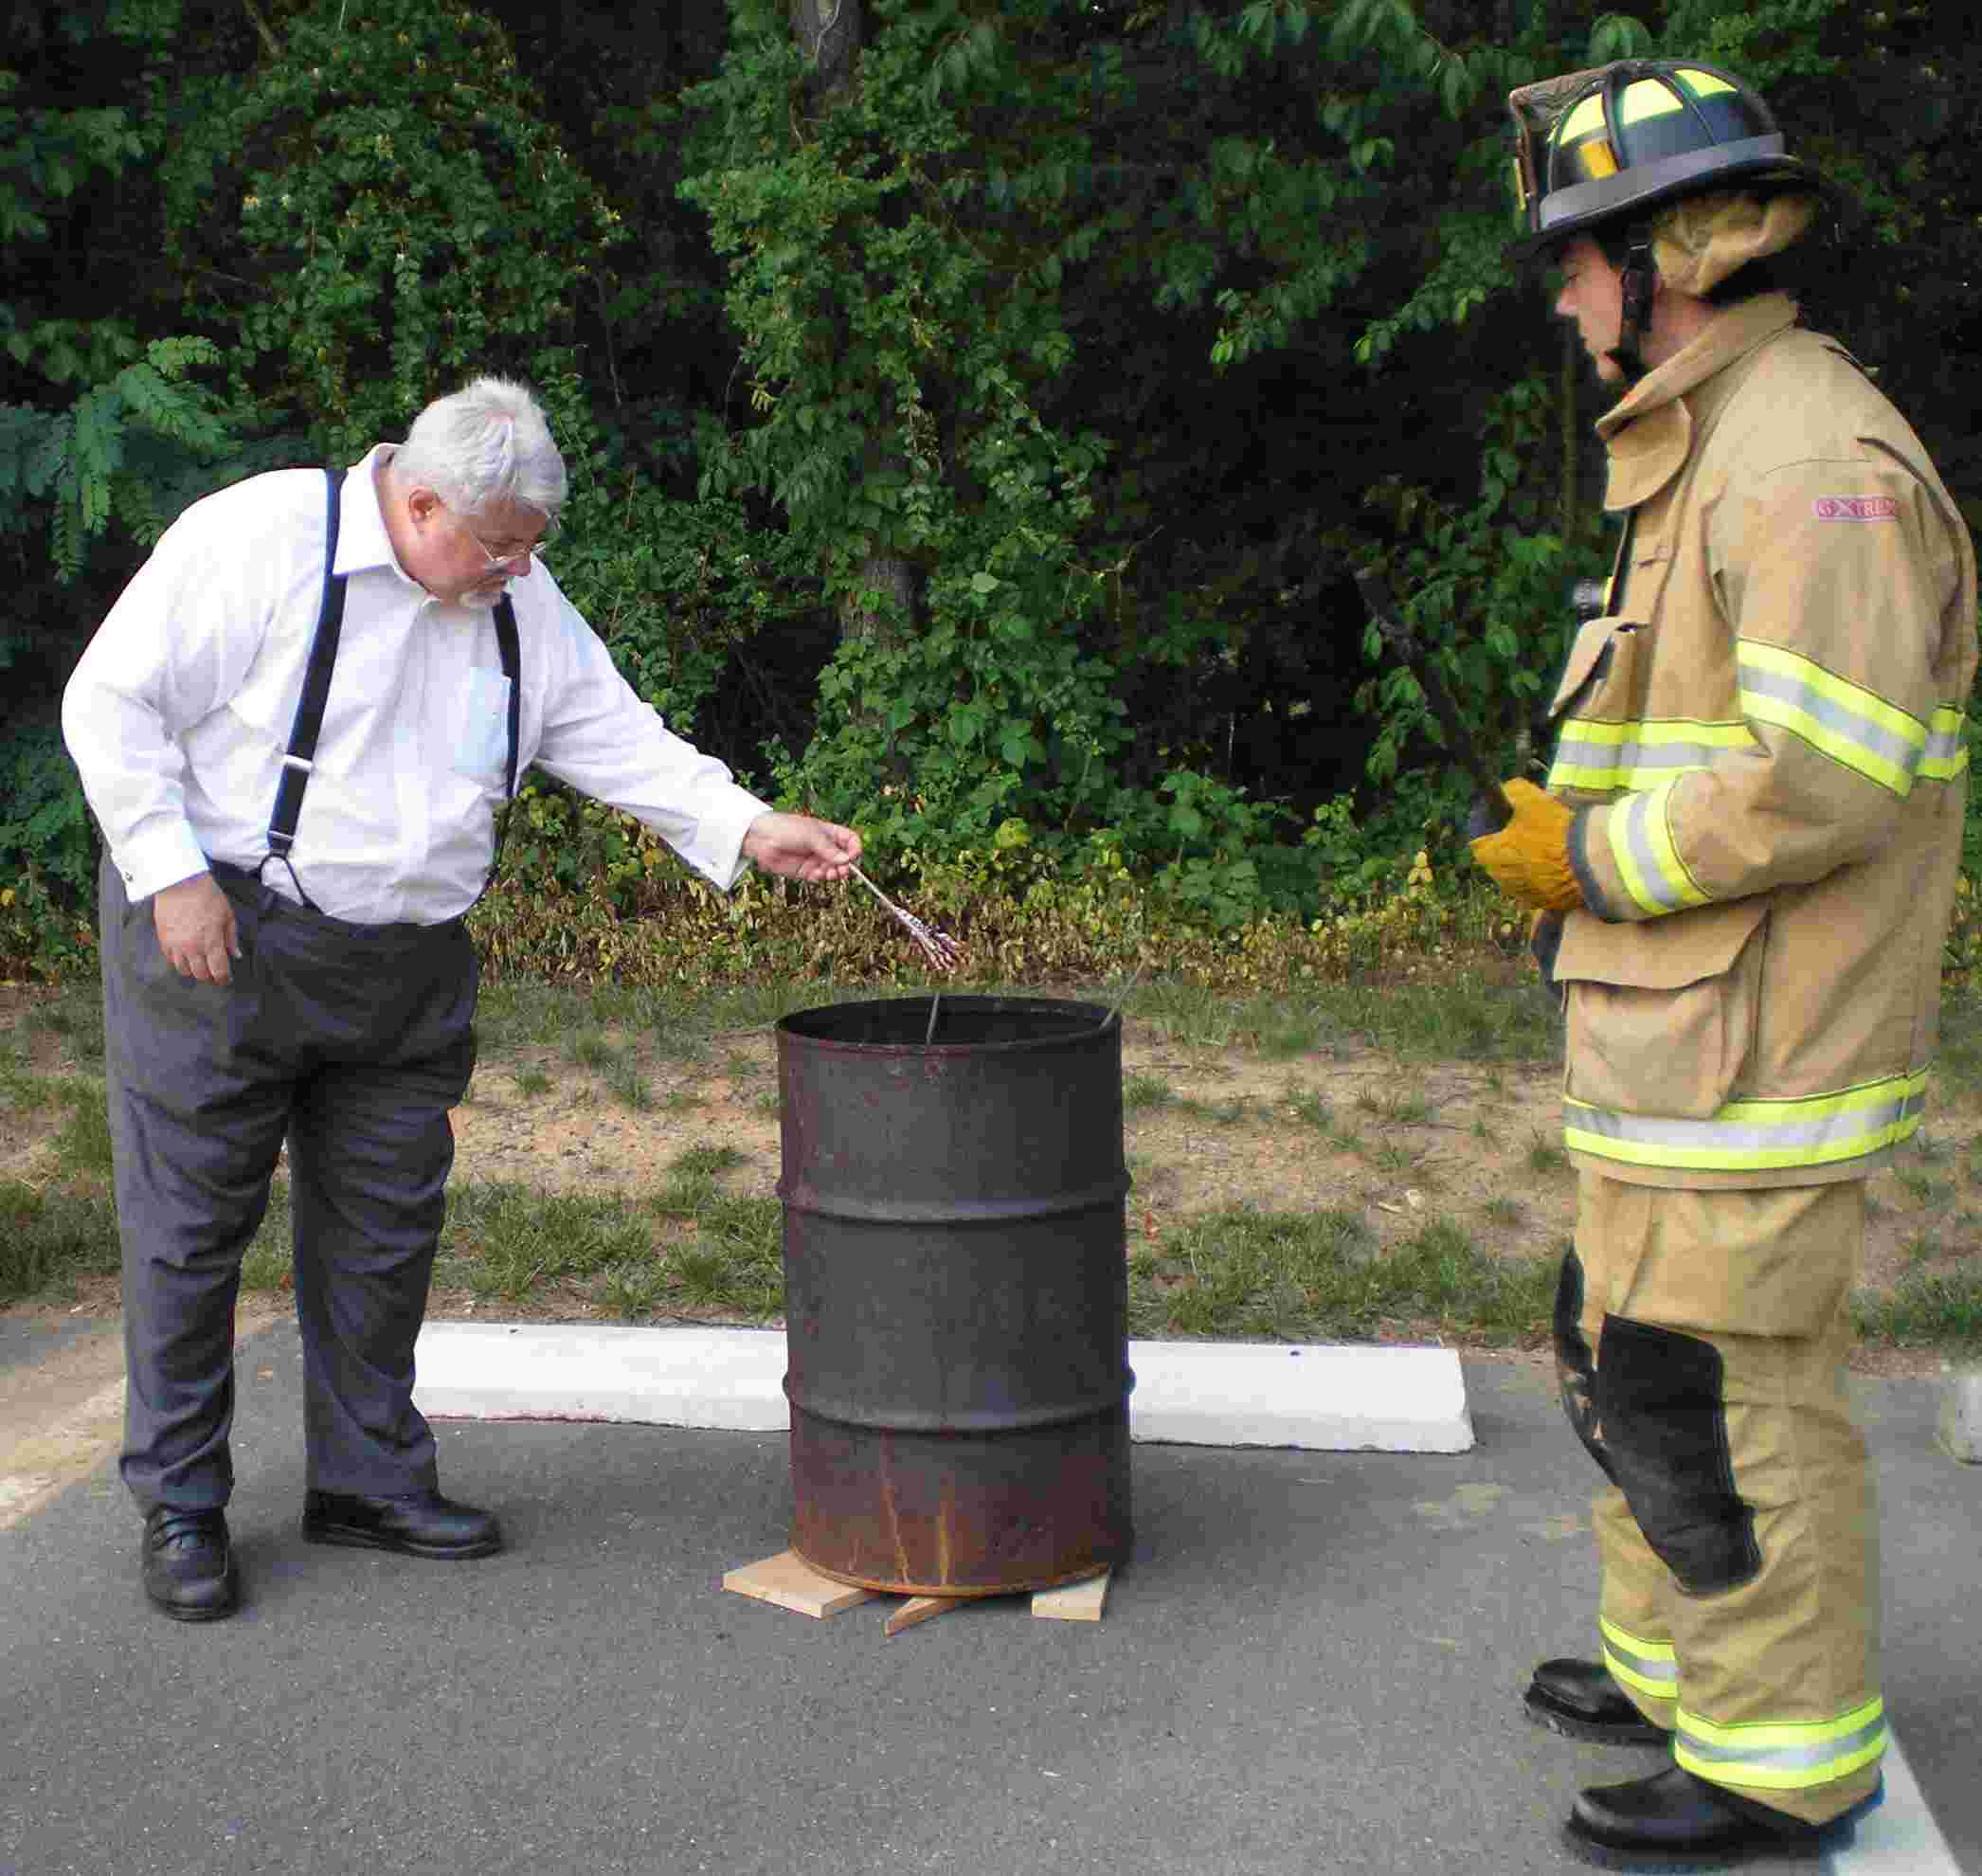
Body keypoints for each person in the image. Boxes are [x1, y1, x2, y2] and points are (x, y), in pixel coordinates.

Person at [62, 376, 862, 1623]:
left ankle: (368, 1481)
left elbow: (607, 728)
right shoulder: (262, 539)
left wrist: (747, 824)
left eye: (530, 550)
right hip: (223, 940)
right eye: (499, 548)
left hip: (407, 970)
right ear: (421, 503)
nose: (517, 573)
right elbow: (108, 702)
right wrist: (169, 875)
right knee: (186, 1232)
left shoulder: (510, 593)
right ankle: (180, 1503)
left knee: (384, 1236)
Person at [1470, 59, 1976, 1870]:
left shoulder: (1810, 462)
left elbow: (1821, 777)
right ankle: (1681, 1669)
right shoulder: (1713, 436)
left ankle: (1778, 1761)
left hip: (1760, 1045)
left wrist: (1586, 855)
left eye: (1570, 261)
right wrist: (1574, 844)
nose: (1557, 300)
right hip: (1678, 1033)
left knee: (1715, 1385)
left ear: (1654, 258)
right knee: (1626, 1351)